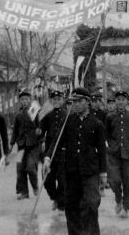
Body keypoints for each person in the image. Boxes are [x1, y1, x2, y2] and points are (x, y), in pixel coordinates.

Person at [43, 88, 107, 235]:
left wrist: (103, 172)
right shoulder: (68, 121)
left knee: (91, 203)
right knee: (71, 205)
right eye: (74, 102)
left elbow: (102, 150)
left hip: (90, 171)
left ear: (88, 102)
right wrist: (47, 158)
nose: (76, 104)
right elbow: (56, 141)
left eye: (80, 101)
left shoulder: (97, 124)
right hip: (71, 170)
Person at [104, 90, 129, 218]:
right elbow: (107, 134)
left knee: (128, 182)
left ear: (127, 101)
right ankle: (118, 198)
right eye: (118, 99)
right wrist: (108, 146)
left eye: (123, 99)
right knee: (113, 180)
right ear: (115, 101)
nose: (120, 102)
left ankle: (126, 207)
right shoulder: (110, 117)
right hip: (114, 153)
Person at [9, 90, 41, 199]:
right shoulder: (18, 115)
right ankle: (23, 192)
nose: (25, 101)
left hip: (33, 145)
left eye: (27, 99)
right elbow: (15, 131)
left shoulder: (34, 112)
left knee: (31, 167)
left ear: (30, 100)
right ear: (19, 101)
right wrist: (11, 144)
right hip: (21, 146)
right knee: (20, 169)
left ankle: (35, 186)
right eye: (22, 99)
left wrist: (39, 131)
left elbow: (40, 126)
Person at [39, 90, 68, 211]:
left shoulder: (67, 115)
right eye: (54, 99)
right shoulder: (48, 115)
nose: (56, 101)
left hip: (63, 151)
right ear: (51, 101)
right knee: (47, 179)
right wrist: (40, 137)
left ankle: (61, 205)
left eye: (59, 99)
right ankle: (54, 197)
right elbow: (41, 131)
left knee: (62, 180)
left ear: (63, 100)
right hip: (49, 152)